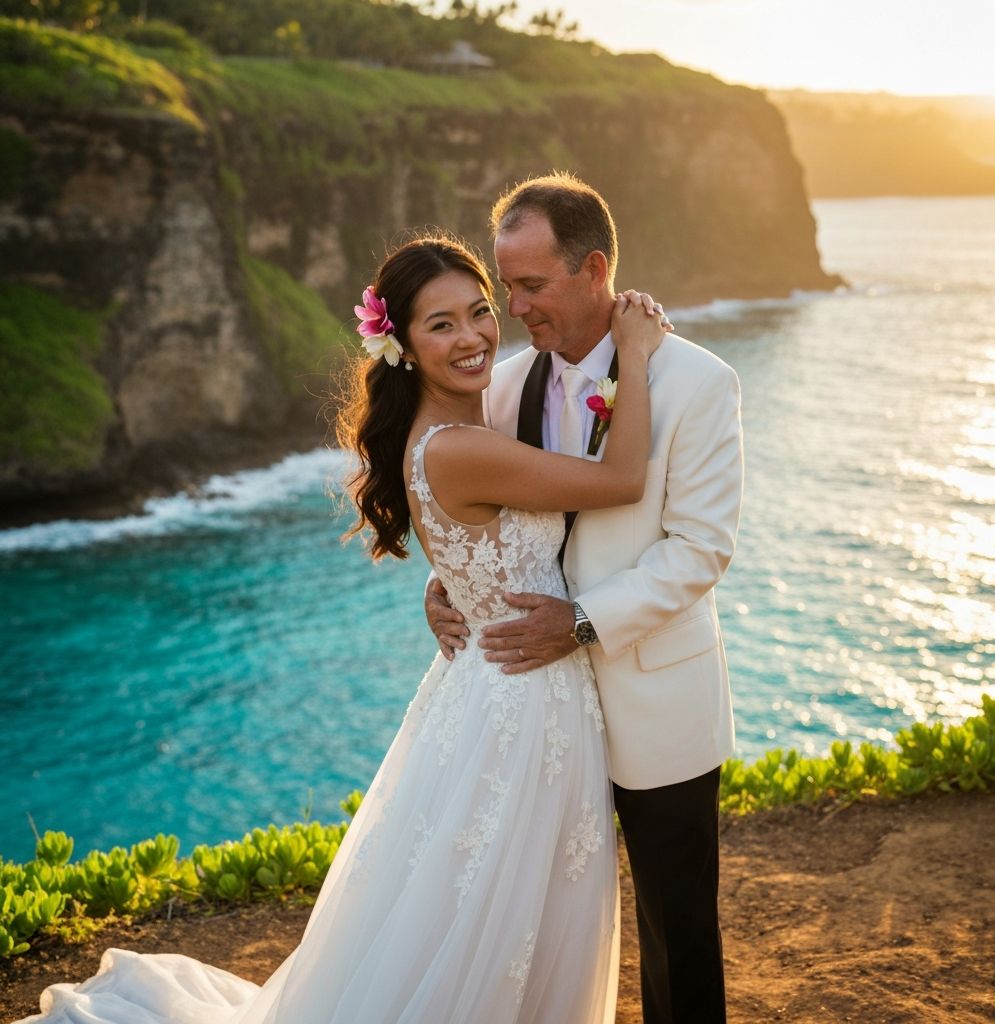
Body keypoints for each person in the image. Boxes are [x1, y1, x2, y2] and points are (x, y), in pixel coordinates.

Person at [13, 234, 668, 1024]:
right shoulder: (459, 447)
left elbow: (485, 546)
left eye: (480, 312)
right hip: (518, 708)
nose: (473, 338)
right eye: (441, 326)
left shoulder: (447, 435)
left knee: (486, 909)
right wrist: (633, 350)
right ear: (403, 346)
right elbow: (623, 480)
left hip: (503, 686)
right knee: (493, 913)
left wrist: (449, 582)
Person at [426, 173, 743, 1024]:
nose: (515, 308)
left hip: (655, 696)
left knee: (677, 928)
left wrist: (584, 620)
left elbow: (701, 548)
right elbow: (479, 516)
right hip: (536, 716)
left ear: (594, 268)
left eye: (531, 285)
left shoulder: (698, 383)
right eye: (508, 287)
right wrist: (444, 585)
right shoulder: (501, 387)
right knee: (532, 921)